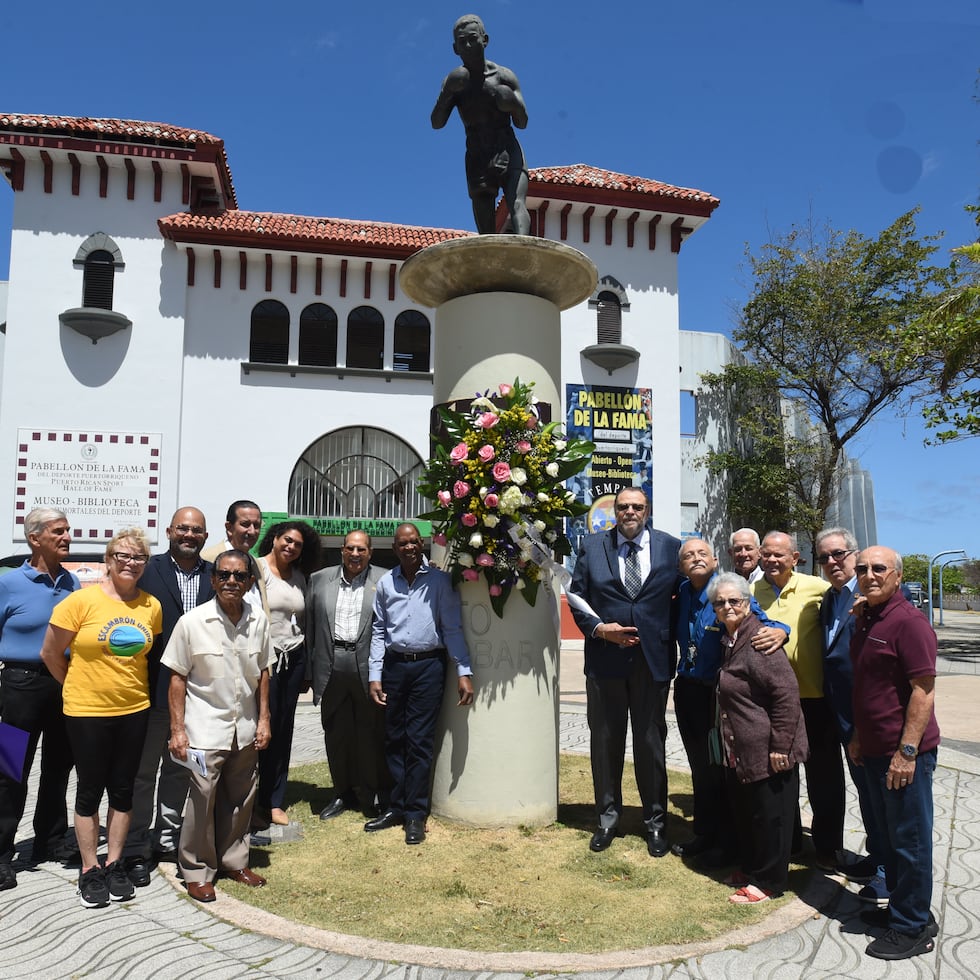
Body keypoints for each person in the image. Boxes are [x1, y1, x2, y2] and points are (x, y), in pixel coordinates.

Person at [40, 527, 162, 909]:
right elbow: (50, 653)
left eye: (138, 557)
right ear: (108, 561)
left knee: (123, 790)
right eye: (122, 556)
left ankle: (114, 863)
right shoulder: (80, 602)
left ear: (144, 564)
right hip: (86, 711)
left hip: (134, 709)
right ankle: (89, 870)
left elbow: (145, 656)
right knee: (90, 790)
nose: (130, 563)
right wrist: (76, 685)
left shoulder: (151, 607)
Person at [567, 487, 680, 857]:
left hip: (653, 661)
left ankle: (656, 823)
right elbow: (576, 595)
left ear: (647, 510)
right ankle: (607, 819)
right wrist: (601, 630)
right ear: (614, 511)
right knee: (605, 742)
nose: (630, 512)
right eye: (623, 507)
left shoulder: (670, 547)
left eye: (637, 506)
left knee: (651, 744)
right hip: (605, 661)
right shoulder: (592, 545)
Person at [162, 550, 272, 903]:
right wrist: (178, 730)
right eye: (224, 575)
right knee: (201, 801)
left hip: (245, 727)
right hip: (204, 729)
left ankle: (233, 861)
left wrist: (265, 718)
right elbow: (177, 678)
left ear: (250, 583)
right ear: (213, 580)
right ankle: (196, 871)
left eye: (240, 576)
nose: (231, 582)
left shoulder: (259, 621)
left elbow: (264, 672)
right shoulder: (192, 623)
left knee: (241, 800)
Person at [671, 538, 788, 866]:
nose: (695, 559)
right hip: (687, 690)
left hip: (717, 694)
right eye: (687, 555)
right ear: (680, 566)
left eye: (701, 554)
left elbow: (764, 621)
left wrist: (782, 631)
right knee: (699, 767)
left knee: (722, 769)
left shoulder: (725, 590)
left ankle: (725, 841)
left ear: (713, 559)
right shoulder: (681, 594)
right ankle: (704, 834)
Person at [849, 547, 941, 961]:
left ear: (897, 576)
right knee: (888, 839)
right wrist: (857, 738)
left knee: (910, 841)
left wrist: (907, 752)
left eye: (879, 569)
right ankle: (911, 910)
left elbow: (923, 690)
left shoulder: (909, 623)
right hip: (871, 749)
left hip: (903, 756)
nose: (869, 575)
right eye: (862, 568)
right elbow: (869, 687)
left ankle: (912, 928)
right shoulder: (868, 617)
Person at [121, 507, 214, 887]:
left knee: (179, 769)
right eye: (183, 529)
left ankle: (166, 839)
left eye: (196, 530)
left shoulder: (215, 574)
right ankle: (135, 847)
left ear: (205, 536)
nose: (189, 535)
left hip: (199, 693)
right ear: (170, 531)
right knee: (143, 773)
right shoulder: (149, 569)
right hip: (153, 688)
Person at [366, 523, 473, 845]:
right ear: (395, 548)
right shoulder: (386, 583)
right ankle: (396, 807)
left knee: (420, 741)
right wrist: (375, 674)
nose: (409, 547)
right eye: (403, 543)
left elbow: (452, 628)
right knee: (394, 738)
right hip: (395, 666)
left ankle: (415, 814)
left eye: (414, 542)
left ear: (422, 544)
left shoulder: (440, 582)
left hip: (429, 666)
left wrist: (463, 671)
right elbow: (380, 631)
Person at [711, 572, 808, 903]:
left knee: (772, 817)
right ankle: (753, 867)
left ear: (748, 602)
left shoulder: (759, 640)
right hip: (745, 747)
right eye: (720, 602)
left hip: (771, 748)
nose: (727, 607)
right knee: (750, 812)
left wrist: (781, 745)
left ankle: (768, 880)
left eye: (734, 601)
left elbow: (786, 694)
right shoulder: (731, 638)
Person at [752, 530, 844, 869]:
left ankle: (827, 847)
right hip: (772, 703)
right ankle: (788, 844)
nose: (773, 560)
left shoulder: (818, 589)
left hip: (815, 699)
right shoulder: (750, 592)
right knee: (780, 776)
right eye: (768, 554)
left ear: (795, 558)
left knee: (824, 778)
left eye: (780, 555)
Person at [0, 508, 79, 891]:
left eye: (67, 531)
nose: (67, 537)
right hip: (18, 687)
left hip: (62, 684)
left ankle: (49, 842)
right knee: (9, 770)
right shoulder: (9, 583)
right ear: (35, 538)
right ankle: (2, 854)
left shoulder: (71, 582)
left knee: (58, 768)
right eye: (58, 532)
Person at [816, 527, 888, 905]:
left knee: (883, 799)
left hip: (871, 721)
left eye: (839, 554)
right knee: (866, 795)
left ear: (854, 554)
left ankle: (888, 875)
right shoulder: (828, 600)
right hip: (840, 717)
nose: (832, 562)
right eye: (824, 557)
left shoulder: (875, 597)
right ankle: (878, 858)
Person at [307, 530, 389, 820]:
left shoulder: (385, 579)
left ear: (370, 552)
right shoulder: (319, 580)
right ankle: (342, 793)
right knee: (336, 732)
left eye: (362, 550)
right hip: (331, 664)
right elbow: (310, 629)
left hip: (367, 666)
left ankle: (369, 794)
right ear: (342, 550)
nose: (355, 554)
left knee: (369, 733)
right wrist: (309, 672)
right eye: (350, 548)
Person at [431, 14, 530, 236]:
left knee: (517, 204)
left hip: (507, 147)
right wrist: (447, 94)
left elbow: (522, 122)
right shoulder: (454, 82)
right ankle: (489, 266)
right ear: (454, 48)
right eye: (461, 41)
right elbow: (436, 122)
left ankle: (525, 253)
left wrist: (512, 103)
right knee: (485, 226)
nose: (467, 45)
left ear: (485, 40)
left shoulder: (505, 76)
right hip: (477, 153)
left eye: (472, 39)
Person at [254, 520, 320, 827]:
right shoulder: (257, 570)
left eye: (297, 544)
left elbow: (303, 623)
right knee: (260, 729)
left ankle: (274, 799)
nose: (291, 547)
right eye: (287, 540)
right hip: (264, 663)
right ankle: (252, 799)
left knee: (283, 730)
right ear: (275, 538)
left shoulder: (299, 577)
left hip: (293, 659)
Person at [201, 499, 268, 613]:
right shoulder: (207, 559)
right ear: (229, 528)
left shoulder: (257, 564)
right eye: (245, 524)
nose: (252, 531)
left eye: (256, 525)